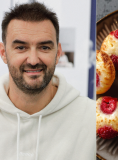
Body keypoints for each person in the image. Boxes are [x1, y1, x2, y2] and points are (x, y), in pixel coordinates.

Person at [0, 2, 95, 160]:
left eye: (44, 47)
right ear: (3, 53)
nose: (33, 60)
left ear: (58, 53)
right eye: (21, 47)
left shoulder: (92, 117)